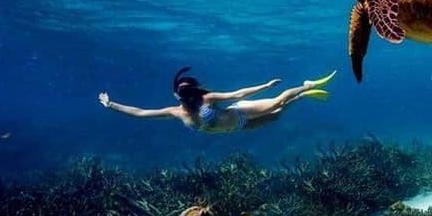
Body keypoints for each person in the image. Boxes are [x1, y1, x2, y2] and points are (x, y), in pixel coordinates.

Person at [98, 67, 335, 133]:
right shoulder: (176, 112)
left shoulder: (208, 100)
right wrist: (111, 105)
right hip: (238, 127)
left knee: (276, 101)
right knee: (276, 116)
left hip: (239, 112)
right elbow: (141, 113)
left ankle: (308, 84)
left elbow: (237, 95)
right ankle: (303, 94)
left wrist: (265, 86)